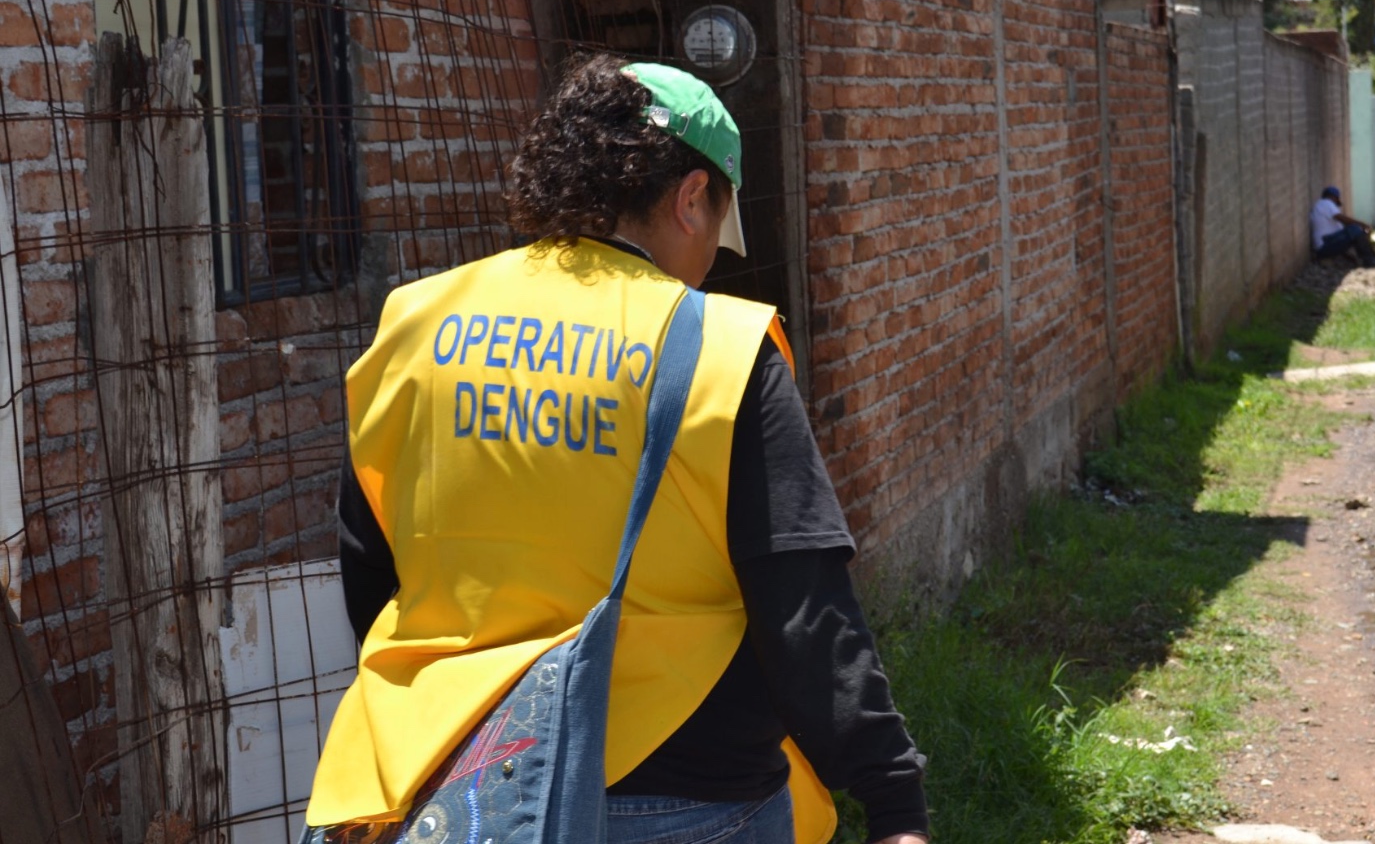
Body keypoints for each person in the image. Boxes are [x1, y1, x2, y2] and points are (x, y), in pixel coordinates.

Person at [304, 55, 929, 844]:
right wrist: (893, 797)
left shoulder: (416, 323)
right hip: (684, 796)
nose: (711, 261)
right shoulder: (720, 348)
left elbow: (370, 567)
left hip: (454, 792)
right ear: (691, 199)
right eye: (718, 229)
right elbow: (802, 604)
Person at [1309, 185, 1375, 267]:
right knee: (1354, 229)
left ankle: (1371, 257)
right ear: (1333, 197)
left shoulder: (1321, 205)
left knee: (1355, 232)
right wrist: (1363, 224)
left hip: (1326, 244)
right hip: (1325, 244)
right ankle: (1369, 260)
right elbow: (1342, 219)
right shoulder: (1326, 203)